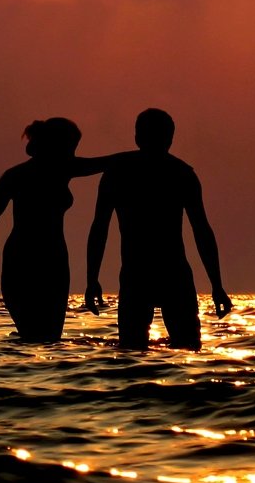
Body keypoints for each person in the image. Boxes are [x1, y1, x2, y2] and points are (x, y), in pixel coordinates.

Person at [85, 108, 231, 350]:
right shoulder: (181, 173)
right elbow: (202, 230)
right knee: (186, 349)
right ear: (170, 139)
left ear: (137, 137)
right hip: (162, 274)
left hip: (144, 273)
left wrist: (92, 279)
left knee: (133, 353)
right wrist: (216, 285)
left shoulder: (121, 173)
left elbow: (99, 228)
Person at [0, 117, 108, 343]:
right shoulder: (16, 176)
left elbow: (107, 162)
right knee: (33, 334)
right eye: (70, 147)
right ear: (56, 145)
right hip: (22, 260)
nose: (73, 153)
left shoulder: (64, 168)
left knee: (49, 337)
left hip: (54, 262)